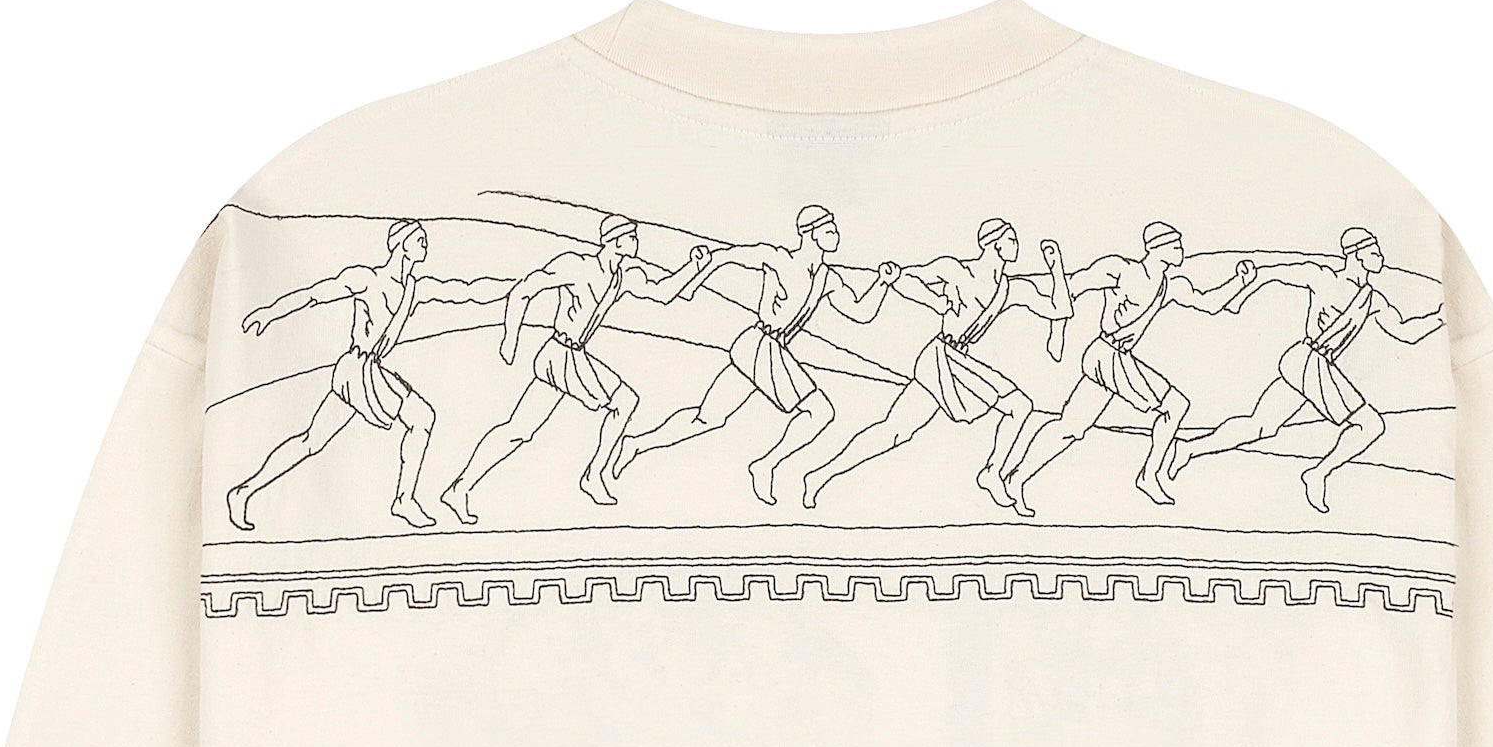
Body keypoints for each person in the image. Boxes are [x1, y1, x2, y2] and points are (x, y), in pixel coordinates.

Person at [224, 221, 510, 532]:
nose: (425, 244)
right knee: (420, 418)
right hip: (358, 369)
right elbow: (314, 295)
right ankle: (404, 501)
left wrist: (518, 288)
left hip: (367, 371)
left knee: (311, 441)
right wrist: (270, 312)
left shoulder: (416, 288)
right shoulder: (366, 280)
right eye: (419, 239)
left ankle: (243, 492)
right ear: (401, 244)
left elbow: (466, 291)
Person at [610, 205, 897, 506]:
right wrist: (693, 281)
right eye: (829, 230)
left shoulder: (828, 278)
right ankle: (765, 465)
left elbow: (861, 312)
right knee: (819, 411)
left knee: (705, 419)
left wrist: (882, 282)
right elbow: (727, 256)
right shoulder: (778, 259)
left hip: (763, 350)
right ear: (811, 234)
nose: (836, 235)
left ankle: (635, 444)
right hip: (760, 345)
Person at [438, 217, 708, 520]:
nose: (636, 242)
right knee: (624, 401)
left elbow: (663, 293)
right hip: (560, 355)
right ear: (614, 240)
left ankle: (460, 488)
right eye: (631, 236)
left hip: (570, 357)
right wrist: (510, 337)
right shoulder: (577, 266)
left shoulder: (625, 277)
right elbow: (523, 291)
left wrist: (694, 267)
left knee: (519, 429)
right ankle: (594, 475)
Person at [798, 219, 1072, 511]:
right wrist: (929, 297)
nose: (1017, 246)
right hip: (941, 358)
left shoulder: (1011, 288)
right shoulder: (955, 271)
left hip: (957, 363)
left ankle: (819, 476)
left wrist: (1056, 266)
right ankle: (992, 474)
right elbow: (908, 278)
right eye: (1011, 240)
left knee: (894, 430)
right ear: (994, 244)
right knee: (1017, 406)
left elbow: (1060, 309)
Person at [1164, 227, 1444, 511]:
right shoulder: (1324, 278)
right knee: (1369, 425)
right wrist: (1243, 288)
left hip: (1306, 365)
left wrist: (1439, 318)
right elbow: (1276, 272)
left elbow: (1406, 332)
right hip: (1309, 360)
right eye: (1374, 252)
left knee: (1260, 426)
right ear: (1357, 255)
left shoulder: (1373, 300)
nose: (1381, 257)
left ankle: (1188, 448)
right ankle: (1317, 474)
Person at [1000, 222, 1250, 512]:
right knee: (1175, 405)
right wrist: (1057, 330)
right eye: (1175, 245)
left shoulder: (1170, 286)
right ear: (1156, 248)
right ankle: (1148, 476)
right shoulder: (1121, 270)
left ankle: (1016, 478)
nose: (1181, 249)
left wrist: (1239, 282)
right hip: (1106, 354)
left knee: (1070, 427)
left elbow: (1209, 303)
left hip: (1112, 360)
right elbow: (1073, 288)